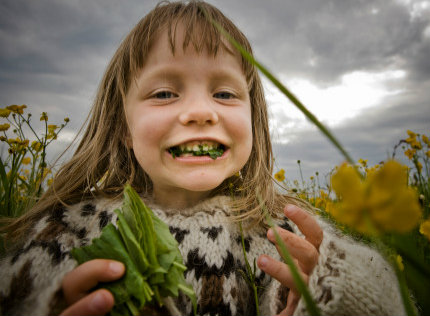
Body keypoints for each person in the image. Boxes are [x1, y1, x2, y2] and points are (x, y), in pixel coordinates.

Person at [0, 1, 406, 315]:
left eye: (225, 94)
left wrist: (326, 291)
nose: (200, 112)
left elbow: (389, 300)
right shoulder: (69, 230)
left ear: (253, 119)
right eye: (164, 94)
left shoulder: (279, 231)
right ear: (124, 127)